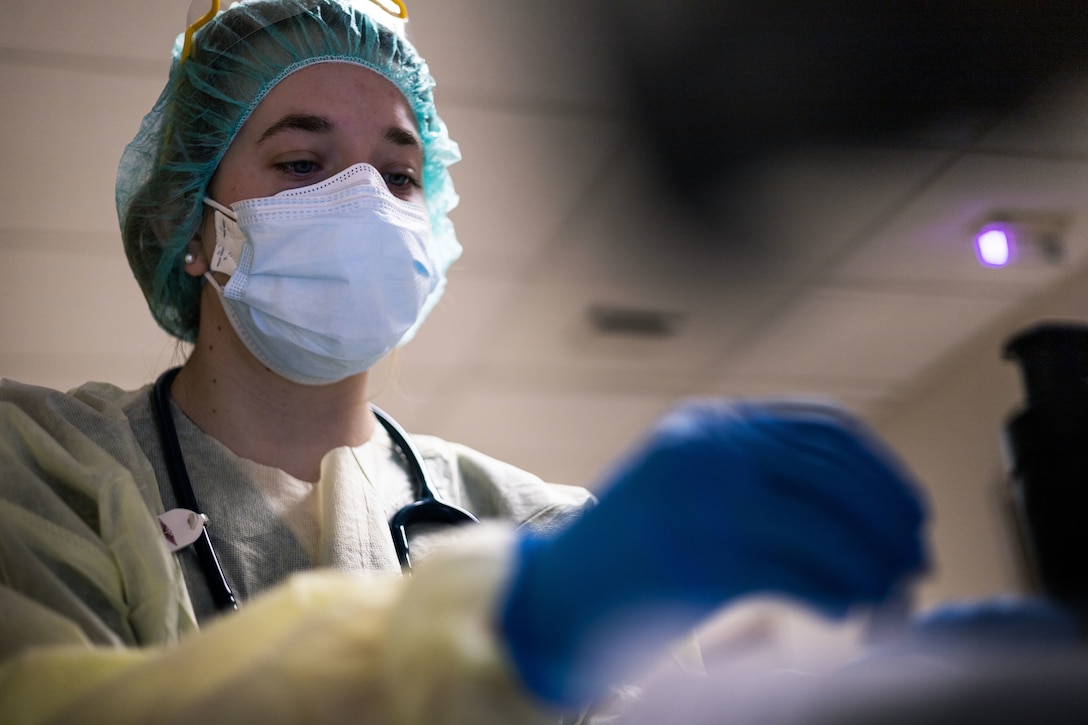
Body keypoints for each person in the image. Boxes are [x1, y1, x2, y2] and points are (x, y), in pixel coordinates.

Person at [0, 1, 929, 723]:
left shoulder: (541, 525)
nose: (362, 202)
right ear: (185, 226)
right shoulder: (44, 468)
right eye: (300, 164)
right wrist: (513, 630)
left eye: (399, 175)